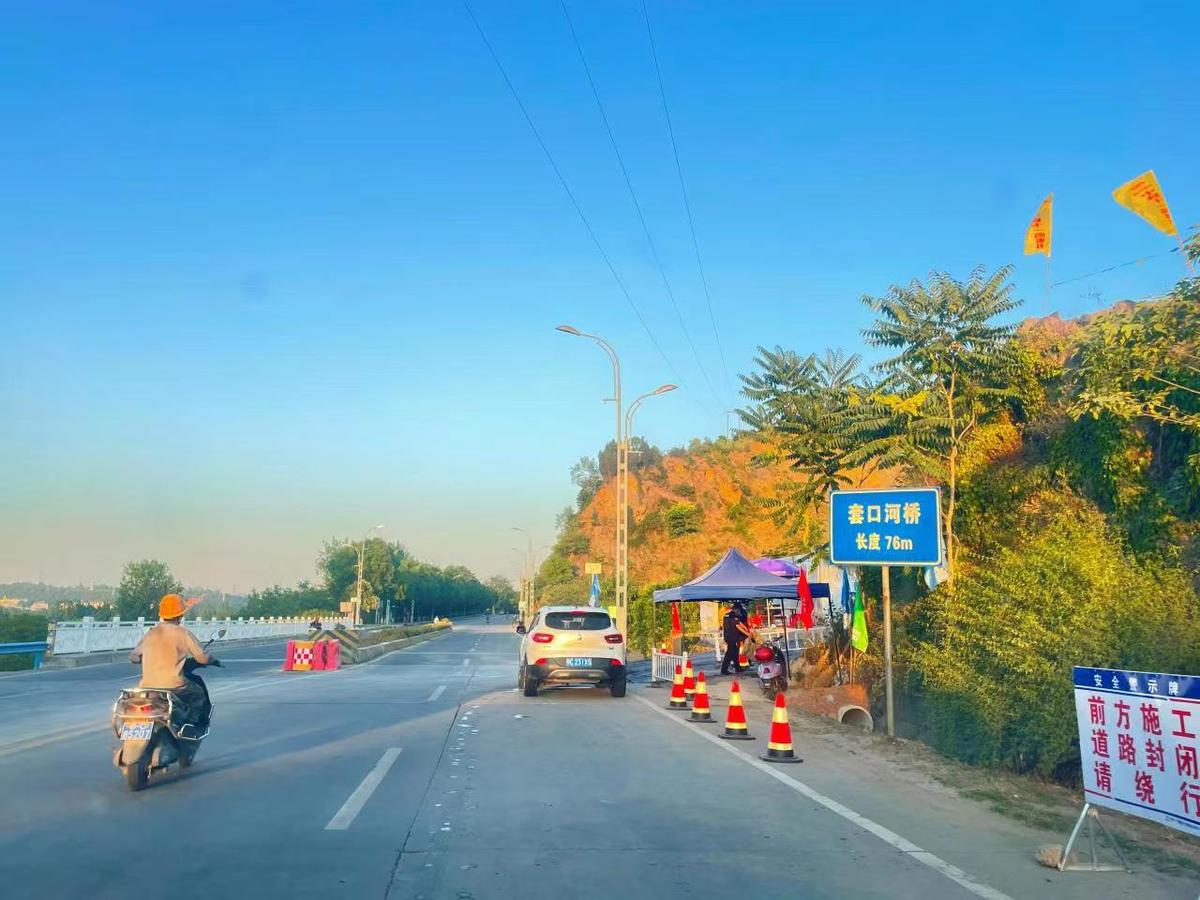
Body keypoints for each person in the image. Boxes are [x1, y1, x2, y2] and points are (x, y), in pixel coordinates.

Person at [129, 594, 218, 726]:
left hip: (147, 686)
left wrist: (145, 658)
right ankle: (192, 725)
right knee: (198, 693)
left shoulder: (151, 633)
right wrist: (212, 660)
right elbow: (202, 658)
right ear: (180, 615)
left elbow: (133, 657)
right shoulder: (182, 633)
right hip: (174, 686)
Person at [719, 600, 753, 675]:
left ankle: (737, 668)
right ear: (736, 609)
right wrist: (747, 633)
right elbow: (738, 626)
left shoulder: (727, 615)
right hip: (732, 637)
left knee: (735, 652)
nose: (739, 612)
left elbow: (740, 623)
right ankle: (724, 670)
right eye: (739, 610)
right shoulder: (733, 616)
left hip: (728, 636)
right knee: (730, 653)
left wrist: (746, 629)